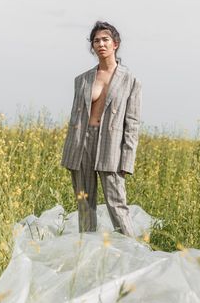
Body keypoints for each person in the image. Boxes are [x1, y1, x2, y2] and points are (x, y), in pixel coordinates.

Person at [61, 21, 142, 237]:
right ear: (92, 46)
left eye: (105, 39)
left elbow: (132, 124)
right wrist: (70, 152)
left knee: (117, 204)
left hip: (111, 146)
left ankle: (133, 254)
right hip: (81, 144)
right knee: (84, 204)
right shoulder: (82, 80)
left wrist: (127, 159)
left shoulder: (130, 81)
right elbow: (75, 117)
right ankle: (88, 253)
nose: (100, 44)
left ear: (115, 44)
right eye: (96, 40)